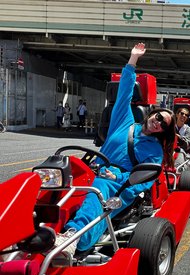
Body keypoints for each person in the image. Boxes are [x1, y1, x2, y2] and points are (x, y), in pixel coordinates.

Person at [57, 42, 176, 255]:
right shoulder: (125, 121)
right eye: (159, 117)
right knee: (54, 176)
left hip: (120, 184)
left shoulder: (154, 150)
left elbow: (144, 179)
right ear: (152, 113)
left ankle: (74, 239)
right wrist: (133, 59)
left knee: (100, 187)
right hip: (94, 169)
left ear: (163, 131)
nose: (158, 122)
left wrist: (119, 179)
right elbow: (124, 93)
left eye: (164, 124)